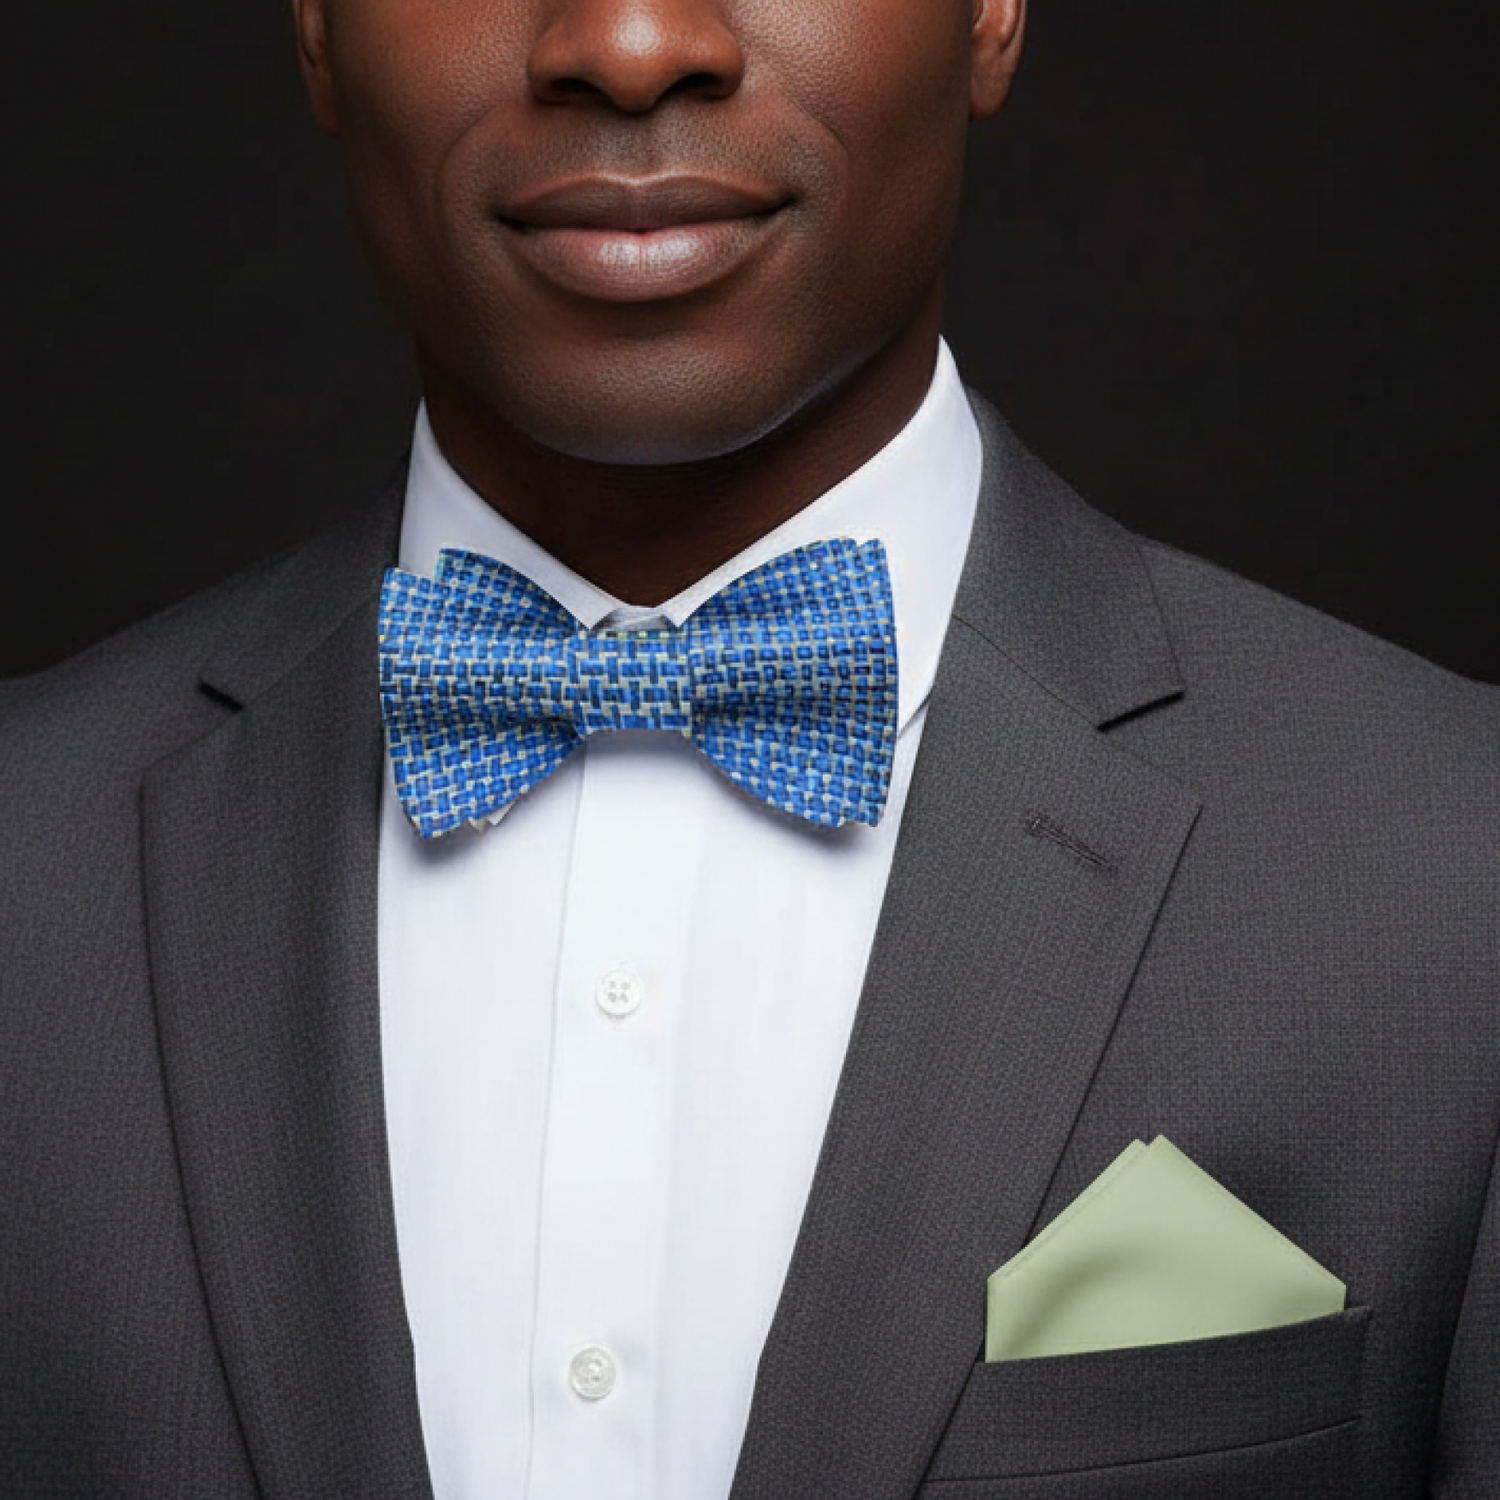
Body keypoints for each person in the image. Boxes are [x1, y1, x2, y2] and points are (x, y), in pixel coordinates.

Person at [1, 0, 1496, 1495]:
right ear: (315, 27)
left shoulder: (1454, 874)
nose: (635, 41)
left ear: (991, 14)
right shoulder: (28, 855)